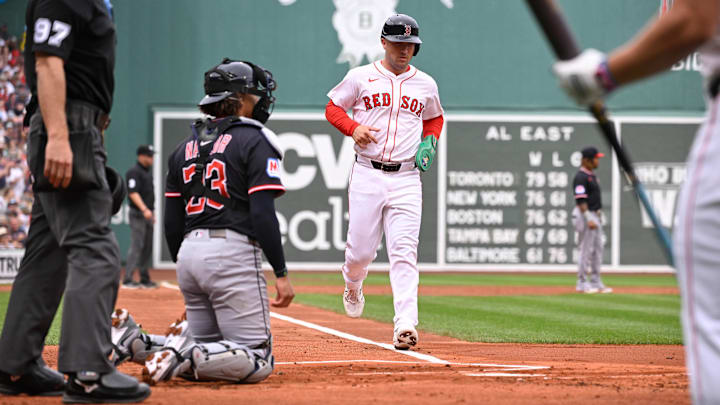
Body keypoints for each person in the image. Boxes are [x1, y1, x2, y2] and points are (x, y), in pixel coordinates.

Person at [552, 0, 720, 403]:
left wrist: (603, 75)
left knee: (712, 315)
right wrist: (588, 216)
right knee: (589, 251)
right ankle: (586, 283)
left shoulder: (587, 174)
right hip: (587, 217)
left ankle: (591, 282)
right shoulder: (582, 175)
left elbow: (694, 19)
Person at [0, 0, 151, 403]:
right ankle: (89, 372)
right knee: (96, 249)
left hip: (75, 124)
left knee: (46, 252)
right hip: (67, 126)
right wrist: (61, 137)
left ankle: (14, 366)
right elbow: (48, 62)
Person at [133, 57, 296, 385]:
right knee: (257, 358)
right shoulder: (255, 138)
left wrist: (187, 264)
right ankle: (183, 355)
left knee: (211, 346)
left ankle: (136, 343)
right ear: (237, 100)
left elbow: (171, 224)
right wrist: (280, 273)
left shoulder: (183, 148)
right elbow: (263, 213)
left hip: (189, 256)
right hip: (230, 253)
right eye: (254, 95)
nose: (261, 101)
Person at [325, 14, 444, 350]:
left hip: (407, 177)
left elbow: (434, 117)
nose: (404, 50)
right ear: (383, 42)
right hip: (367, 172)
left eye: (410, 45)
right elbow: (333, 108)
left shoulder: (426, 84)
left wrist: (428, 142)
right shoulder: (360, 76)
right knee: (361, 252)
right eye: (398, 43)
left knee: (404, 253)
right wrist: (352, 128)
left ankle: (405, 326)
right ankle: (352, 282)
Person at [572, 146, 612, 294]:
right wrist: (588, 217)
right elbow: (581, 200)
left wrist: (598, 214)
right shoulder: (580, 177)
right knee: (585, 249)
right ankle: (581, 282)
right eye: (595, 158)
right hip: (585, 214)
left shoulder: (591, 176)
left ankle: (595, 281)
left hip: (594, 214)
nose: (597, 160)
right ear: (587, 160)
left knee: (597, 249)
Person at [123, 144, 157, 289]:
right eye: (149, 156)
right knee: (137, 245)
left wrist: (151, 212)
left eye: (152, 156)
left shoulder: (147, 173)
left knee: (147, 247)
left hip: (148, 214)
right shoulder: (134, 172)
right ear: (141, 156)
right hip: (138, 214)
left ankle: (144, 277)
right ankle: (128, 278)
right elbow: (132, 192)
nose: (151, 158)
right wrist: (144, 209)